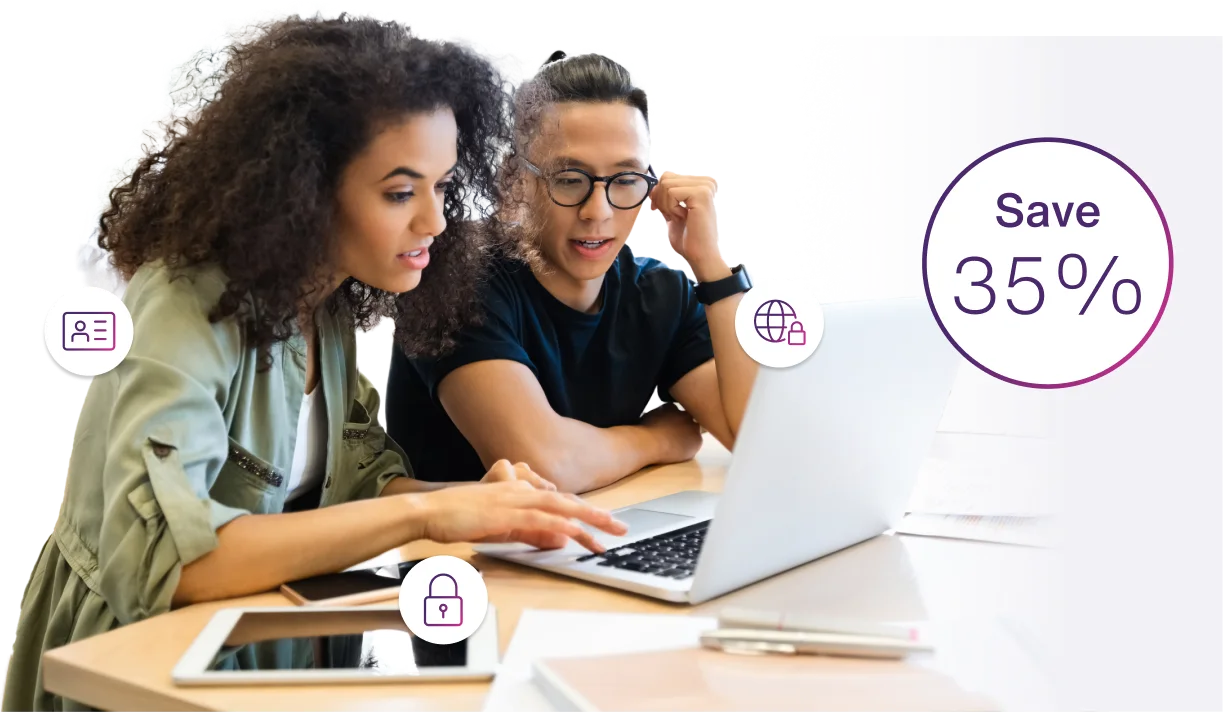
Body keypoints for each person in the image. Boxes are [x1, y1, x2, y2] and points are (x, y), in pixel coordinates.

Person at [5, 15, 626, 712]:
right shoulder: (182, 304)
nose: (436, 221)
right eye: (400, 192)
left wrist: (482, 507)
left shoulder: (323, 301)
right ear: (302, 188)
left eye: (443, 186)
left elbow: (356, 481)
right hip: (133, 665)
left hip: (262, 644)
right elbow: (173, 561)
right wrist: (433, 513)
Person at [385, 50, 760, 493]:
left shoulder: (660, 294)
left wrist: (712, 268)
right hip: (462, 558)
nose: (596, 211)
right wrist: (657, 438)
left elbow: (760, 439)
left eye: (625, 180)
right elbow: (545, 466)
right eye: (568, 179)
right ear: (513, 180)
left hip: (597, 536)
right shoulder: (453, 280)